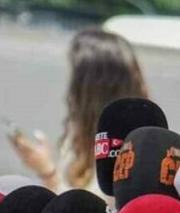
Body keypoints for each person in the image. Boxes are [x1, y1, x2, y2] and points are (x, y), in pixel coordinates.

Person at [9, 28, 148, 194]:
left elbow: (92, 208)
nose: (70, 89)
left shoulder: (125, 151)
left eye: (75, 79)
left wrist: (47, 172)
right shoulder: (80, 135)